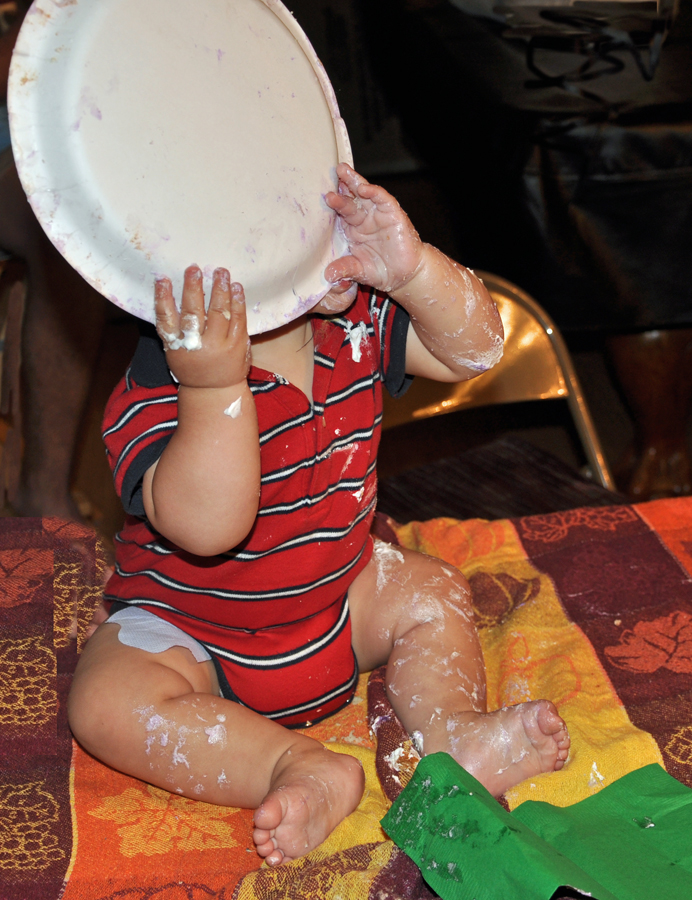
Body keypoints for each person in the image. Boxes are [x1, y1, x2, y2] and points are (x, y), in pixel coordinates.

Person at [67, 163, 570, 867]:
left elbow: (476, 349)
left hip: (341, 604)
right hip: (197, 638)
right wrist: (215, 385)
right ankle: (296, 765)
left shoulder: (360, 322)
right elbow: (210, 529)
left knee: (431, 590)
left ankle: (453, 734)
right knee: (104, 704)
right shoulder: (164, 382)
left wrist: (413, 268)